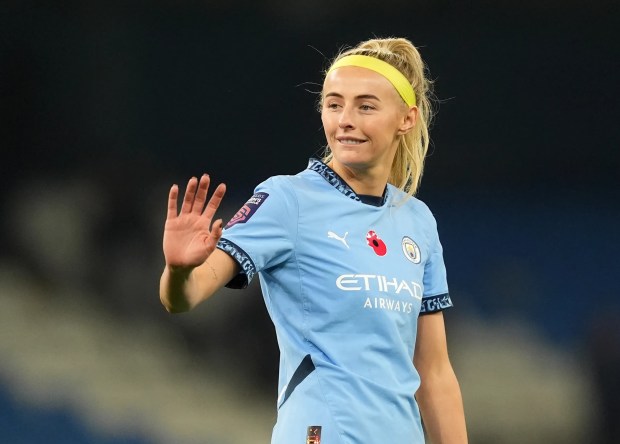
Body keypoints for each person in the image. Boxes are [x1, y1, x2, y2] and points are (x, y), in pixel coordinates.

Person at [160, 37, 467, 444]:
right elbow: (183, 297)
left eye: (366, 106)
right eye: (334, 103)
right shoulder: (288, 200)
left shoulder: (417, 220)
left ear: (406, 118)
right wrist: (179, 269)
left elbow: (435, 373)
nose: (345, 120)